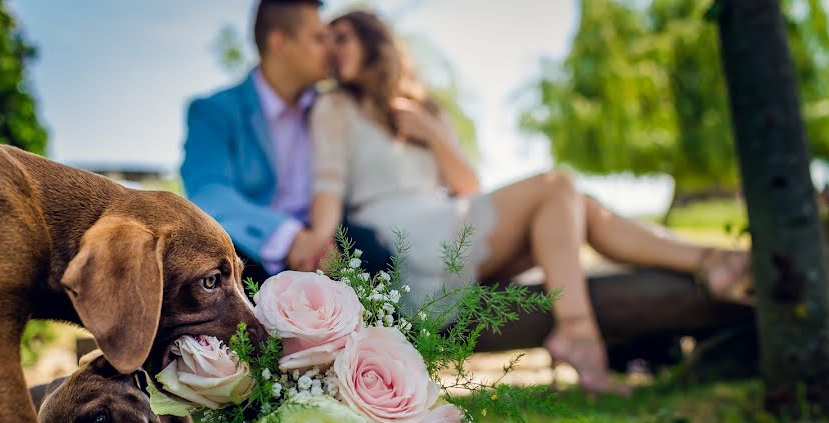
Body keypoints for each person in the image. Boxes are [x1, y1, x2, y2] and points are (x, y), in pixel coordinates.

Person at [303, 10, 751, 394]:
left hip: (444, 216)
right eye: (324, 41)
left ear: (373, 40)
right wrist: (321, 243)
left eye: (340, 37)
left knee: (581, 207)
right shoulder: (334, 107)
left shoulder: (428, 111)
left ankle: (710, 261)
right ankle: (581, 329)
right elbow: (328, 184)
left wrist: (433, 135)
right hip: (403, 237)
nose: (330, 49)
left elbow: (467, 186)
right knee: (557, 186)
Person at [180, 0, 391, 284]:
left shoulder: (329, 108)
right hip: (253, 245)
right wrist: (288, 237)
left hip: (327, 239)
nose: (330, 48)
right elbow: (208, 192)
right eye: (318, 38)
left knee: (375, 250)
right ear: (279, 42)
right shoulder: (215, 111)